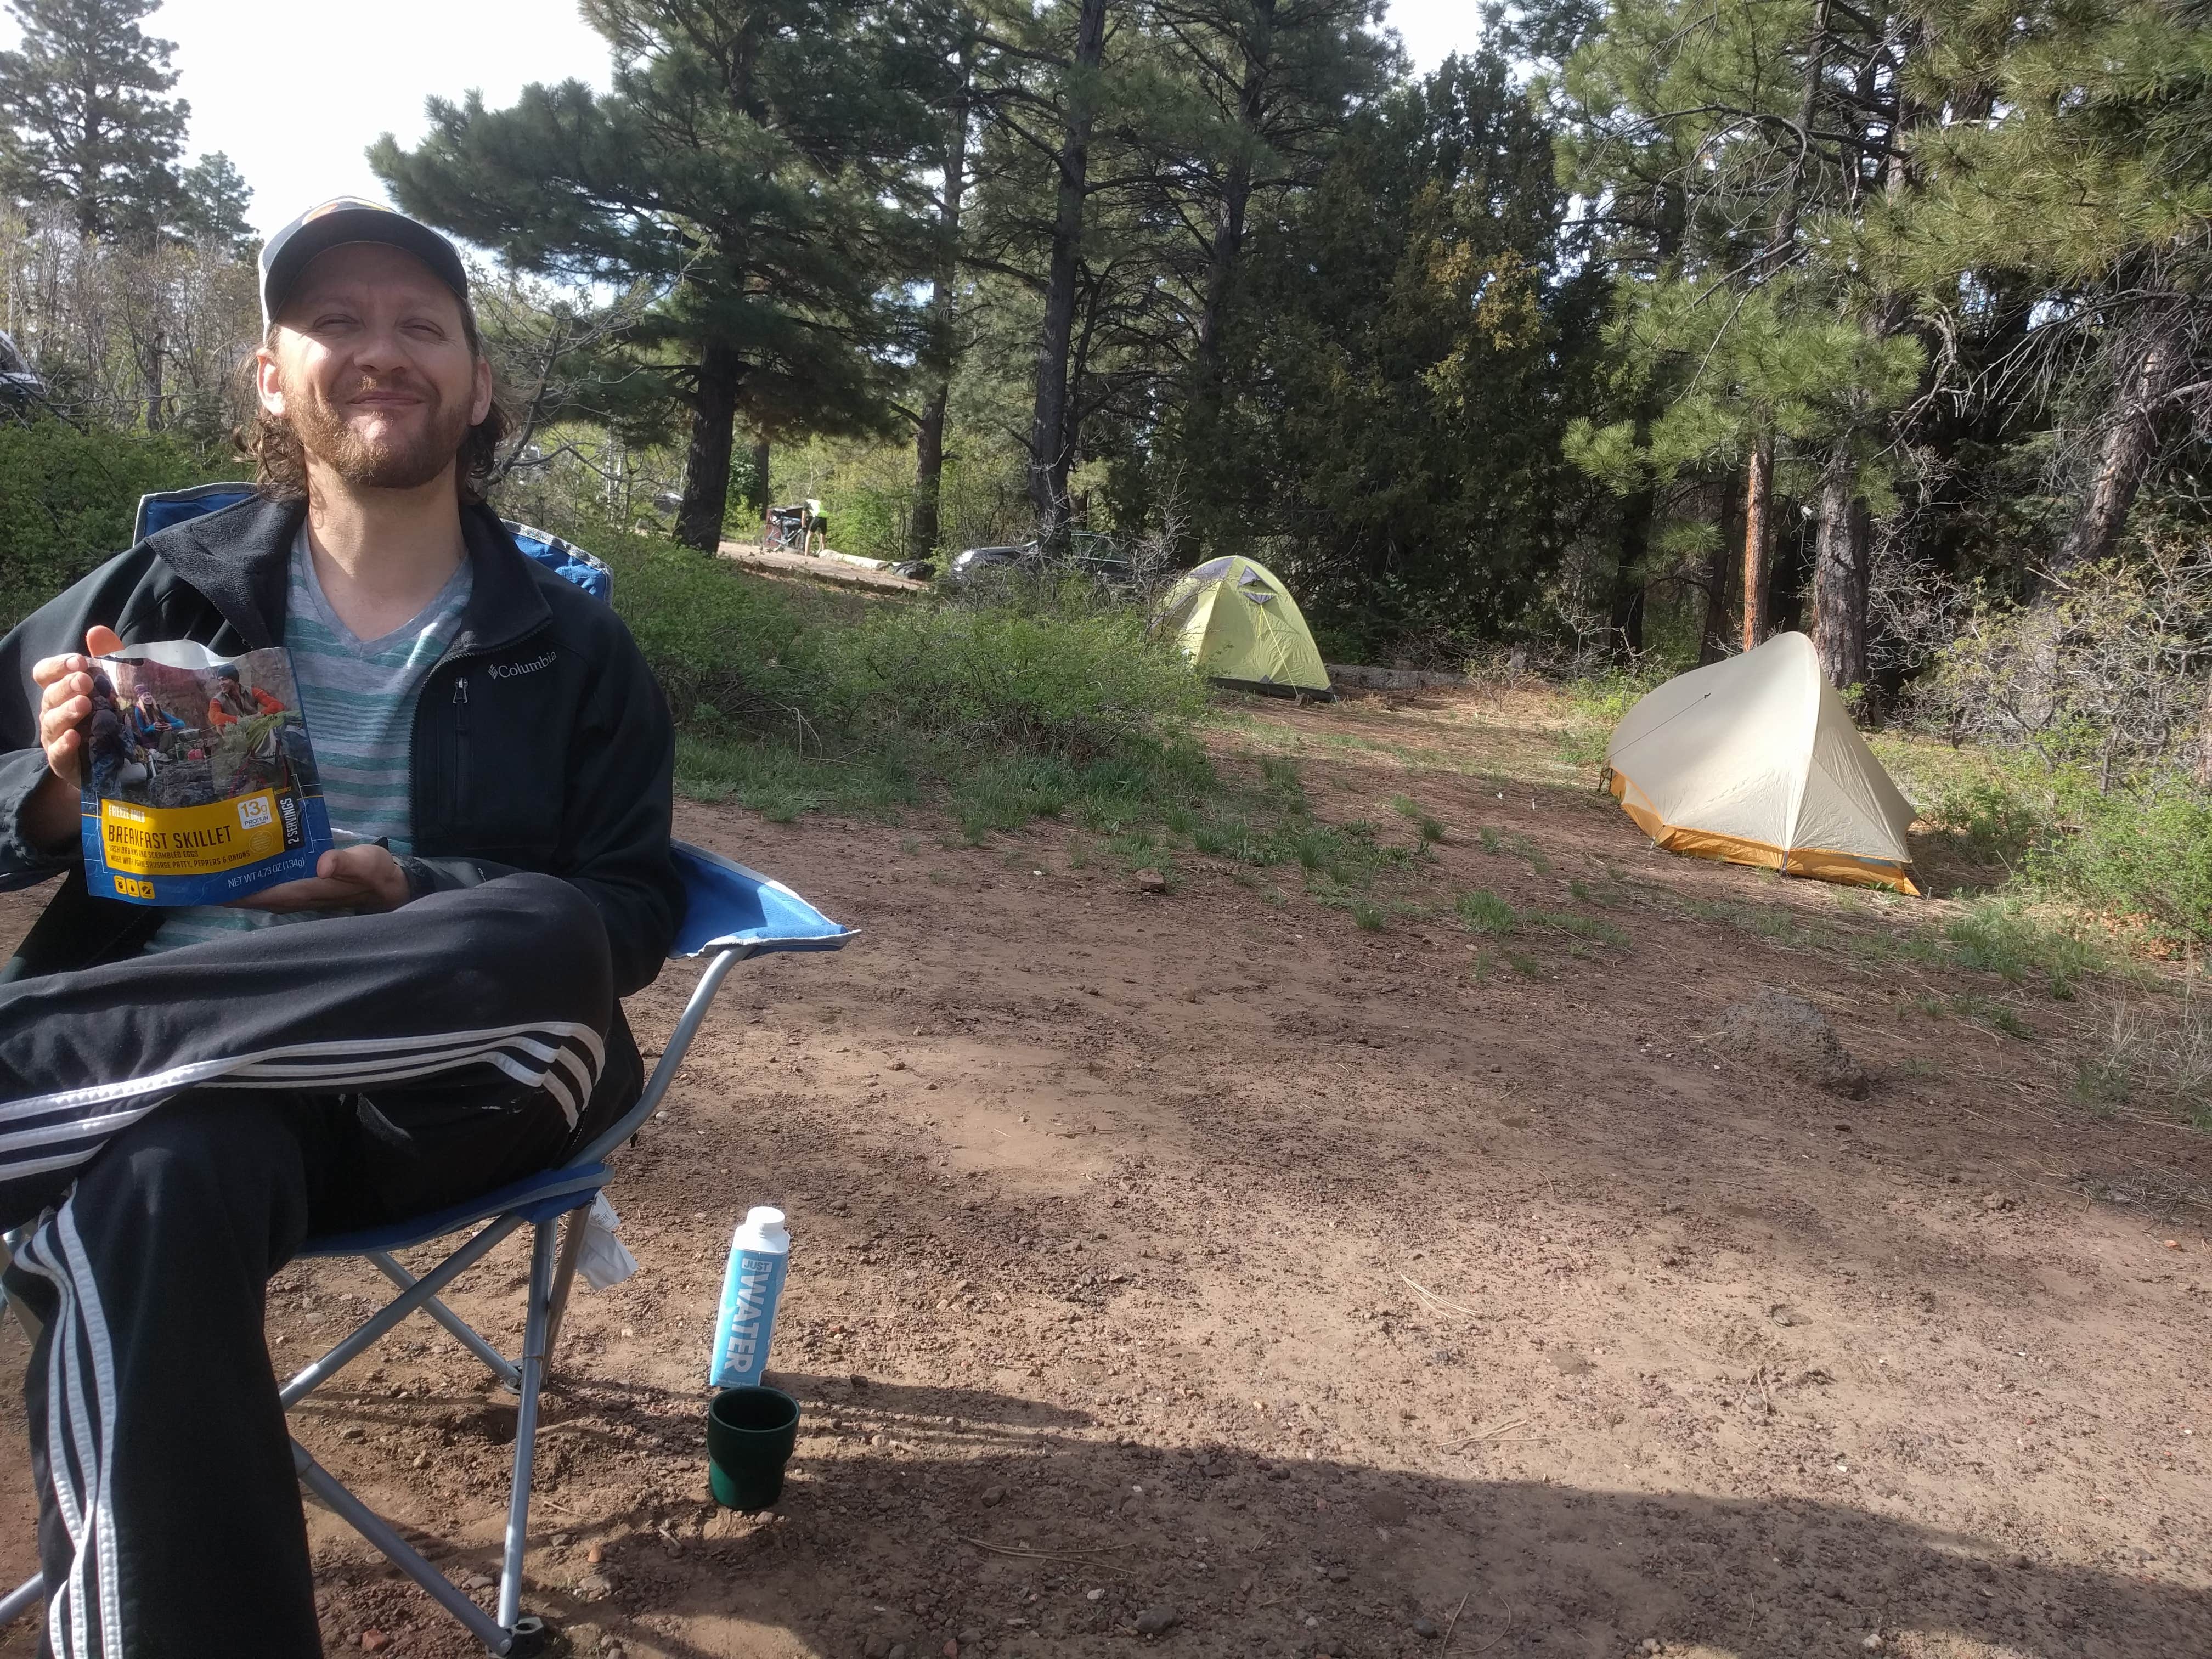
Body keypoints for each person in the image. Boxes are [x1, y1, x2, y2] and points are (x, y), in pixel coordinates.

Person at [0, 198, 681, 1656]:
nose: (383, 352)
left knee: (548, 929)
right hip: (175, 1103)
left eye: (420, 325)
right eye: (339, 323)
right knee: (148, 1196)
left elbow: (629, 916)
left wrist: (407, 895)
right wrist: (55, 796)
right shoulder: (161, 591)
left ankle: (28, 1072)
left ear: (479, 383)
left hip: (453, 1079)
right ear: (270, 376)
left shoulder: (572, 646)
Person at [205, 662, 285, 730]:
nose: (221, 684)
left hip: (257, 728)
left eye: (224, 679)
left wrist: (261, 715)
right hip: (236, 735)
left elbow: (277, 705)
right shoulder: (216, 700)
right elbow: (214, 717)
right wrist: (240, 720)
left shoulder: (253, 692)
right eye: (219, 680)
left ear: (234, 679)